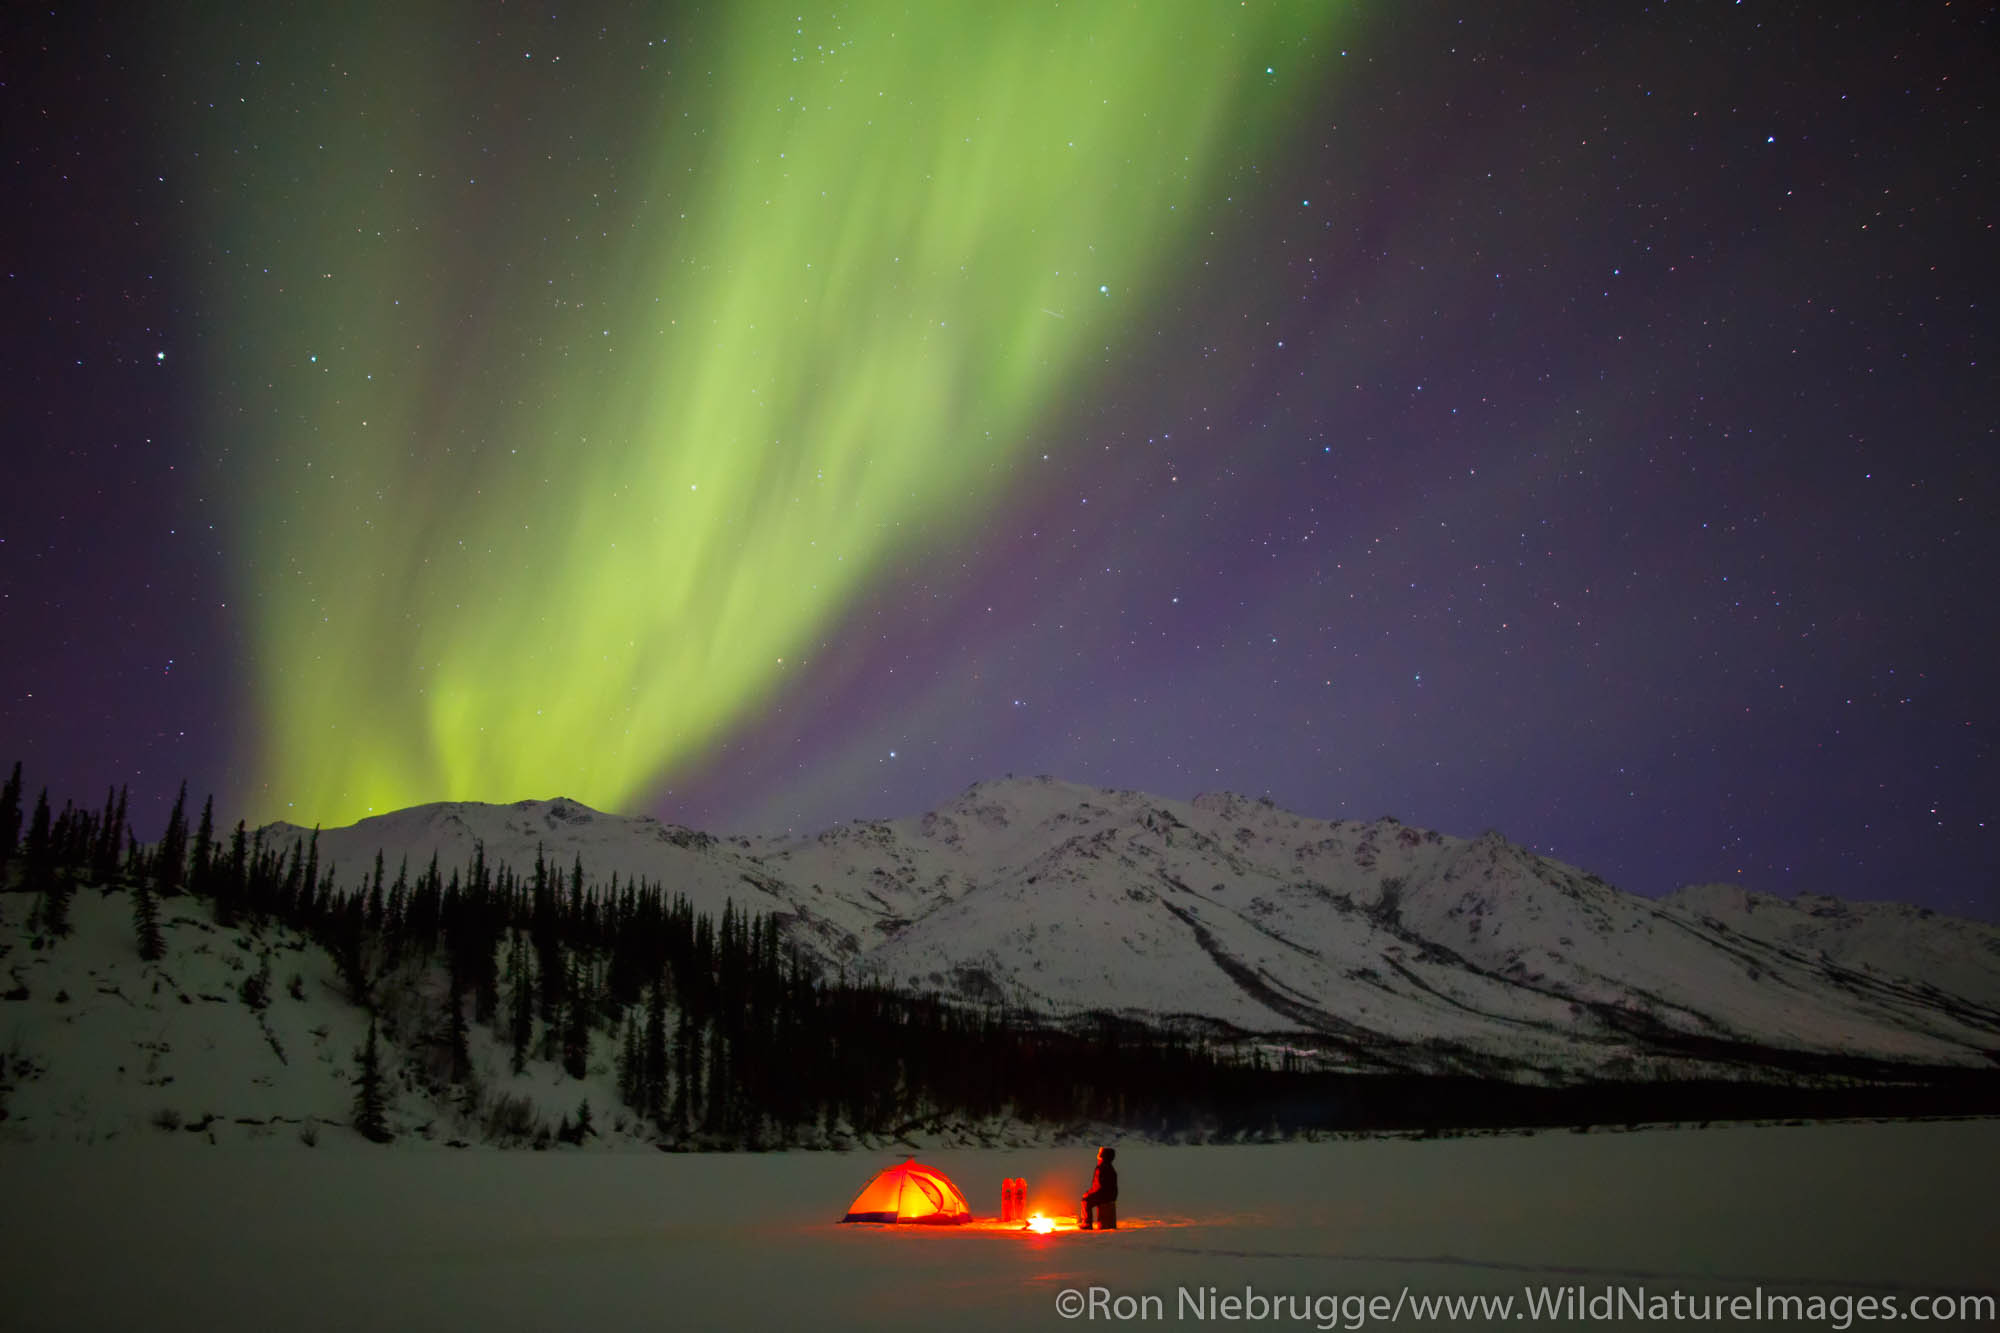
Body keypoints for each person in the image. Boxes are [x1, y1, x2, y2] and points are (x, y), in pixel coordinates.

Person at [1079, 1146, 1118, 1230]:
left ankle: (1086, 1223)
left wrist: (1089, 1193)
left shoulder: (1102, 1167)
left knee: (1086, 1200)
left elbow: (1099, 1186)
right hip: (1110, 1195)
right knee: (1087, 1197)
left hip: (1105, 1196)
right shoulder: (1108, 1166)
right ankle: (1087, 1222)